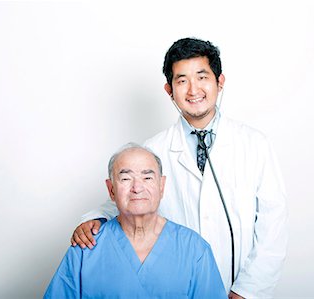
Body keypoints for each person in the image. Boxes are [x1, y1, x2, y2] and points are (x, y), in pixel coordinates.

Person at [71, 38, 288, 299]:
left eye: (202, 77)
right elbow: (130, 198)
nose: (193, 89)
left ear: (220, 82)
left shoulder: (254, 145)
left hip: (239, 289)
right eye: (182, 80)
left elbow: (273, 225)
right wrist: (94, 219)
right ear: (169, 90)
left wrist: (248, 290)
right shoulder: (154, 150)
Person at [44, 143, 227, 298]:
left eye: (147, 177)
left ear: (161, 186)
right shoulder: (86, 249)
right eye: (125, 178)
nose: (137, 187)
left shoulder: (194, 249)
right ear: (111, 190)